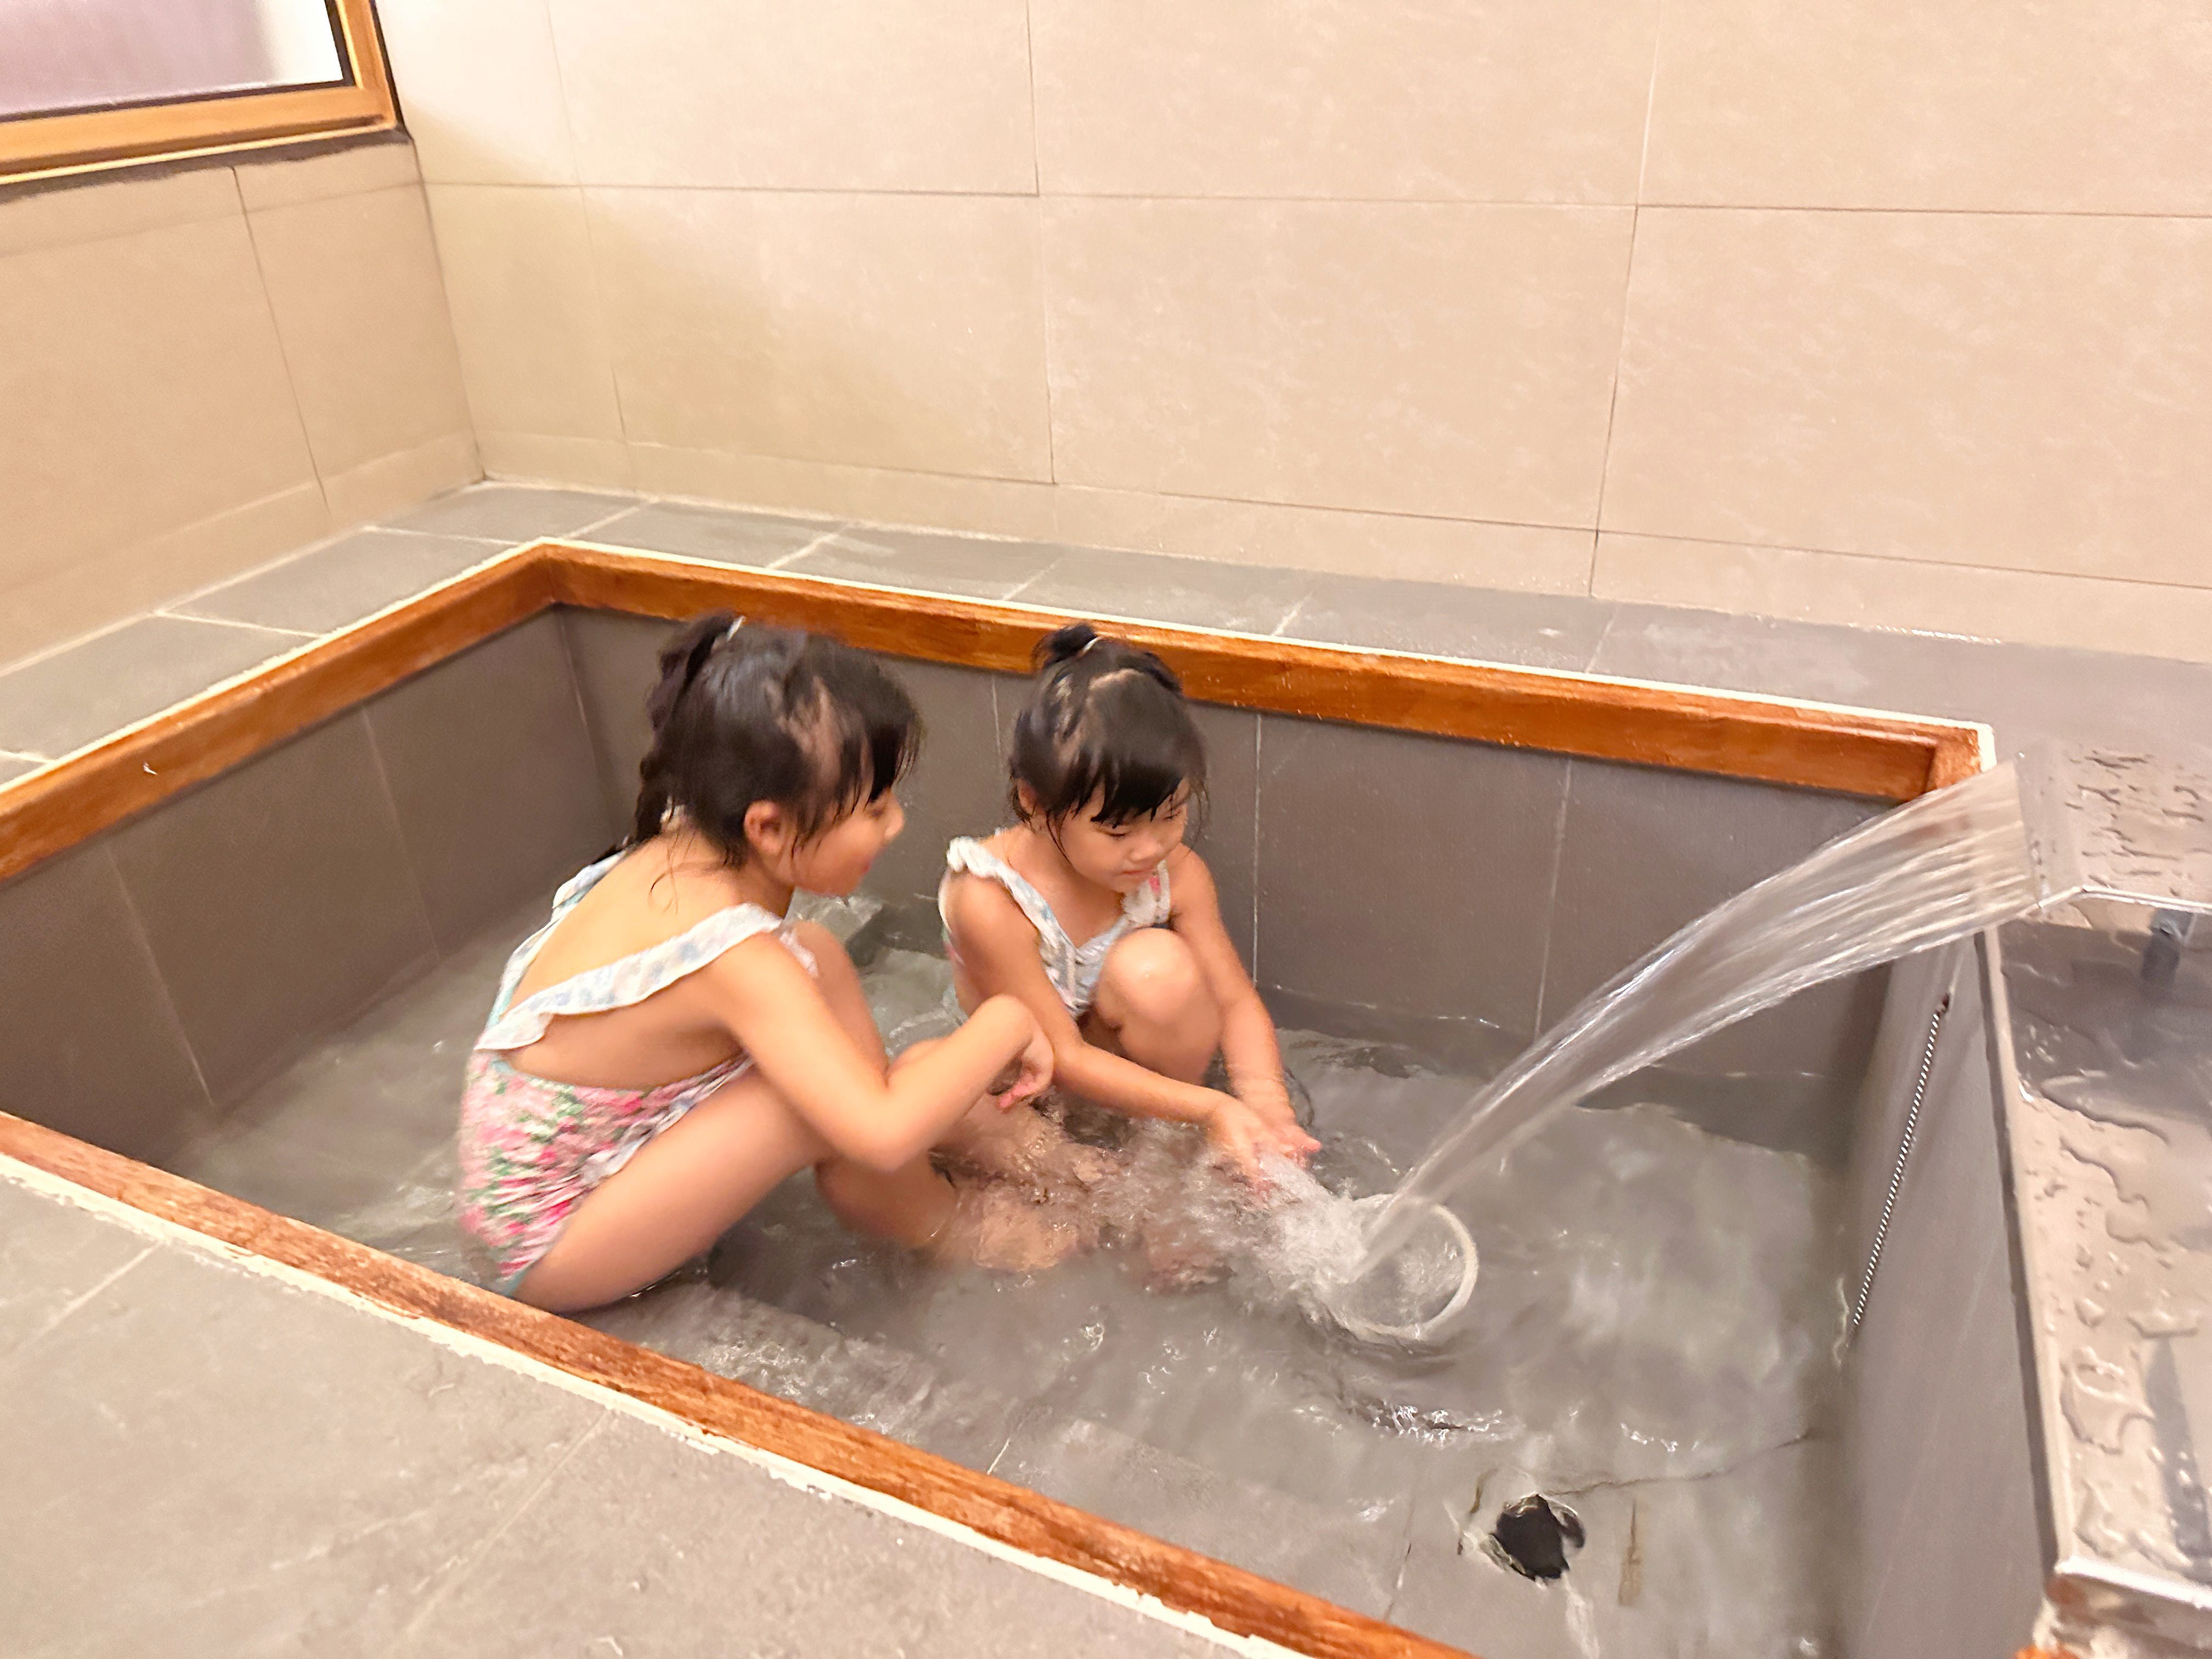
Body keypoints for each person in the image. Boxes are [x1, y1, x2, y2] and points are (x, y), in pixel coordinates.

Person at [456, 613, 1068, 1313]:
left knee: (818, 958)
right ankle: (945, 1224)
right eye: (874, 808)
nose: (897, 823)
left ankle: (898, 1169)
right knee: (815, 1111)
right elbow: (880, 1136)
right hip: (544, 1242)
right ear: (768, 827)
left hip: (575, 1162)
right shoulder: (737, 959)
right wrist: (1008, 1020)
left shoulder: (690, 837)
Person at [939, 622, 1318, 1181]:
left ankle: (1166, 1142)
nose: (1149, 849)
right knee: (972, 1123)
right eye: (1117, 832)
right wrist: (1213, 1108)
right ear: (1036, 803)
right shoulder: (992, 900)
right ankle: (1126, 1156)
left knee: (1159, 970)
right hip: (1031, 1088)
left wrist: (1268, 1109)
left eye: (1171, 815)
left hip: (1143, 1078)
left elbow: (1235, 1001)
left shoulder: (1176, 874)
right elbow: (1063, 1057)